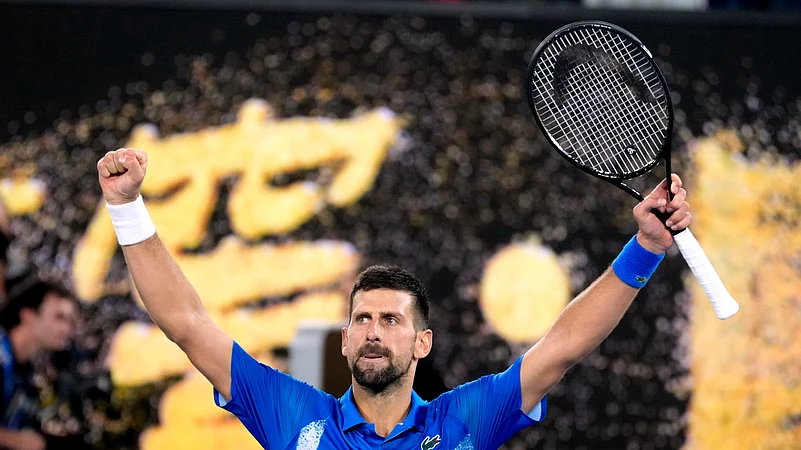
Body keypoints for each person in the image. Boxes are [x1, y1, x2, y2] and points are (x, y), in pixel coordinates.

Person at [97, 148, 691, 449]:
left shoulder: (463, 420)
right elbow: (185, 322)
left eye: (390, 319)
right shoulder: (293, 414)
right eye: (362, 319)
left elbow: (561, 347)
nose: (374, 330)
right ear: (347, 337)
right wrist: (125, 208)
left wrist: (643, 247)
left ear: (423, 341)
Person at [0, 278, 77, 450]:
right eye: (59, 317)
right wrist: (17, 441)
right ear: (27, 316)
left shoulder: (26, 373)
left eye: (70, 320)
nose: (67, 328)